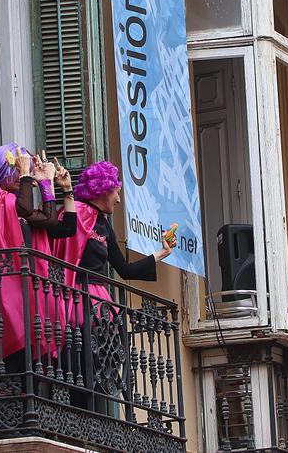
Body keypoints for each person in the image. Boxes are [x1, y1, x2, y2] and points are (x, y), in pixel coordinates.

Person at [52, 161, 173, 410]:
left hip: (100, 304)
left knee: (102, 362)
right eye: (116, 191)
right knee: (81, 361)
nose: (118, 199)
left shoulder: (104, 224)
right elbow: (64, 254)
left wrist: (161, 253)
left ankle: (92, 412)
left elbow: (124, 269)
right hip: (78, 299)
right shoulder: (76, 213)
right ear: (103, 190)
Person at [0, 144, 77, 378]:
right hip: (5, 288)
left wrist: (56, 186)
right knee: (16, 351)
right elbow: (25, 206)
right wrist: (28, 176)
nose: (21, 176)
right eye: (17, 171)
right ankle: (5, 407)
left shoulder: (16, 207)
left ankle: (26, 406)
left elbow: (57, 223)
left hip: (26, 289)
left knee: (36, 359)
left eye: (22, 171)